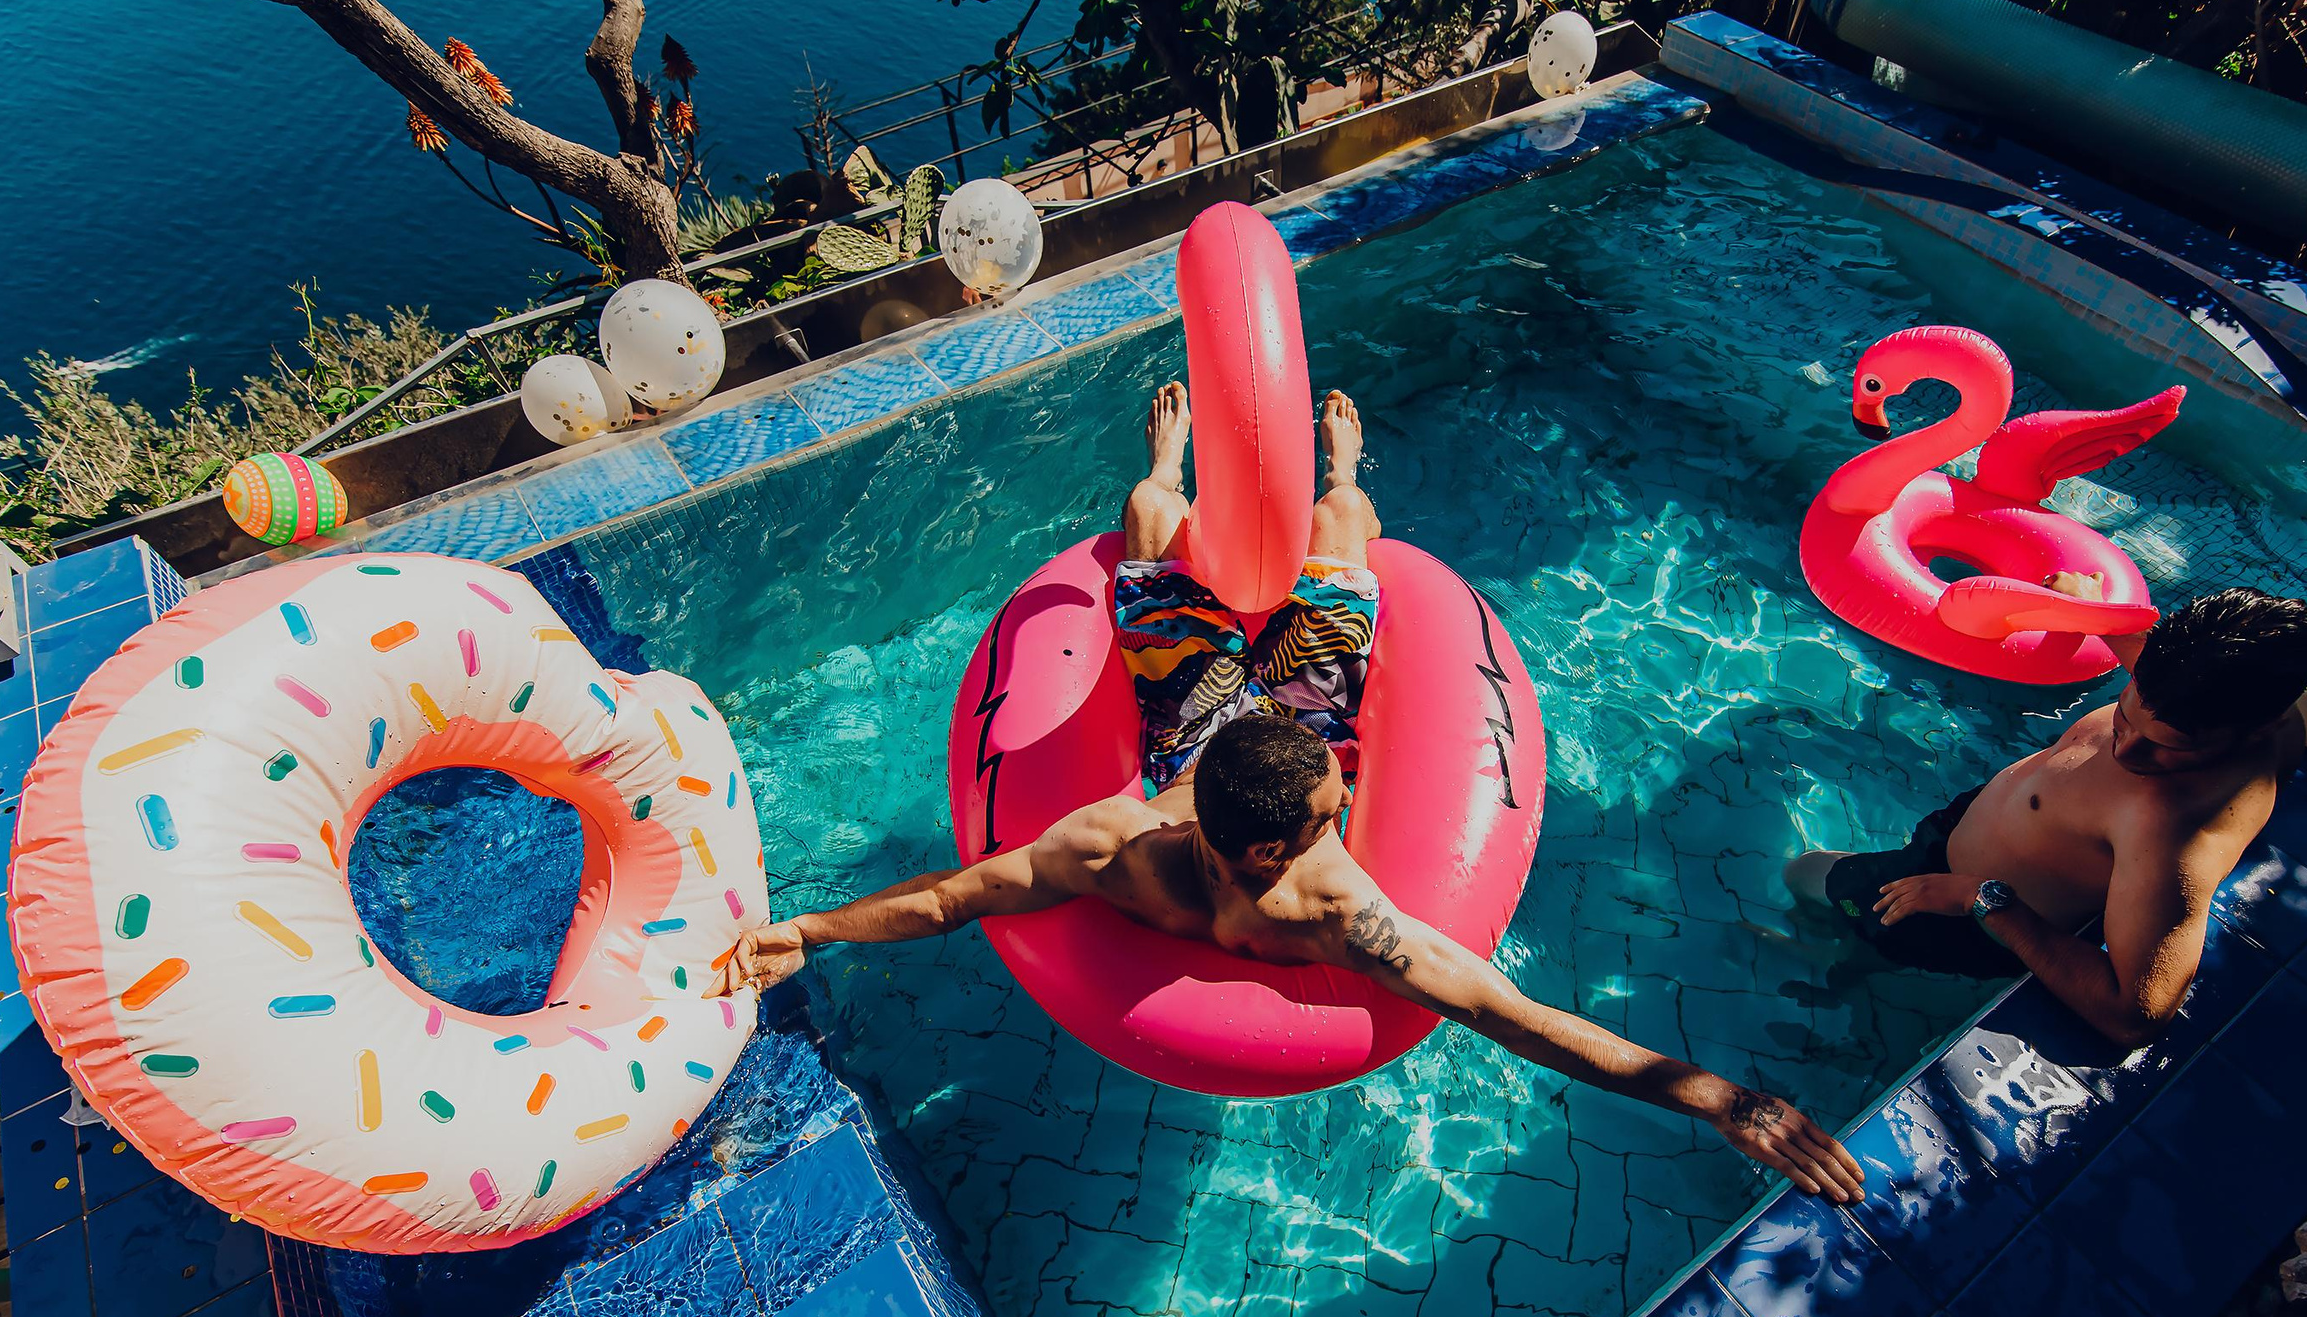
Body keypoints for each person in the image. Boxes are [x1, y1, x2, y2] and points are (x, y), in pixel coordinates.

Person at [718, 383, 1865, 1205]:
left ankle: (1340, 473)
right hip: (1223, 728)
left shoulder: (1172, 847)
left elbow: (949, 896)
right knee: (1180, 518)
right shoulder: (1256, 881)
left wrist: (1721, 1099)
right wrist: (808, 934)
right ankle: (1211, 475)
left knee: (1291, 533)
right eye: (1332, 806)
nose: (1343, 812)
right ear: (1264, 848)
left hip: (1221, 732)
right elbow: (951, 896)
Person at [1787, 583, 2307, 1046]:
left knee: (1804, 872)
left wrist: (1982, 899)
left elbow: (2136, 1016)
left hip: (1961, 912)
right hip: (1956, 854)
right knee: (1866, 932)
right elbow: (2158, 674)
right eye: (2124, 717)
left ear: (2257, 729)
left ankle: (1835, 961)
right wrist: (2089, 608)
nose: (2127, 754)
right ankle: (1857, 962)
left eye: (2169, 748)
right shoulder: (2206, 698)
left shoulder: (2173, 830)